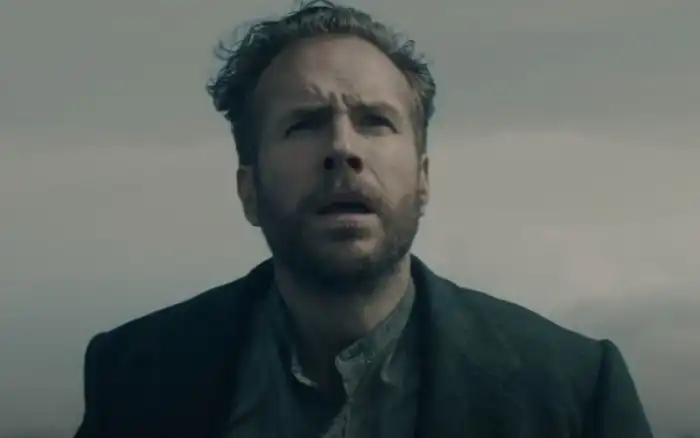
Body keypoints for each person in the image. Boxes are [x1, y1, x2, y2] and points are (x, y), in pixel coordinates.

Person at [74, 1, 652, 437]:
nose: (342, 149)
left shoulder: (573, 390)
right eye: (304, 123)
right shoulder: (135, 377)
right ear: (249, 191)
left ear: (422, 179)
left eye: (375, 120)